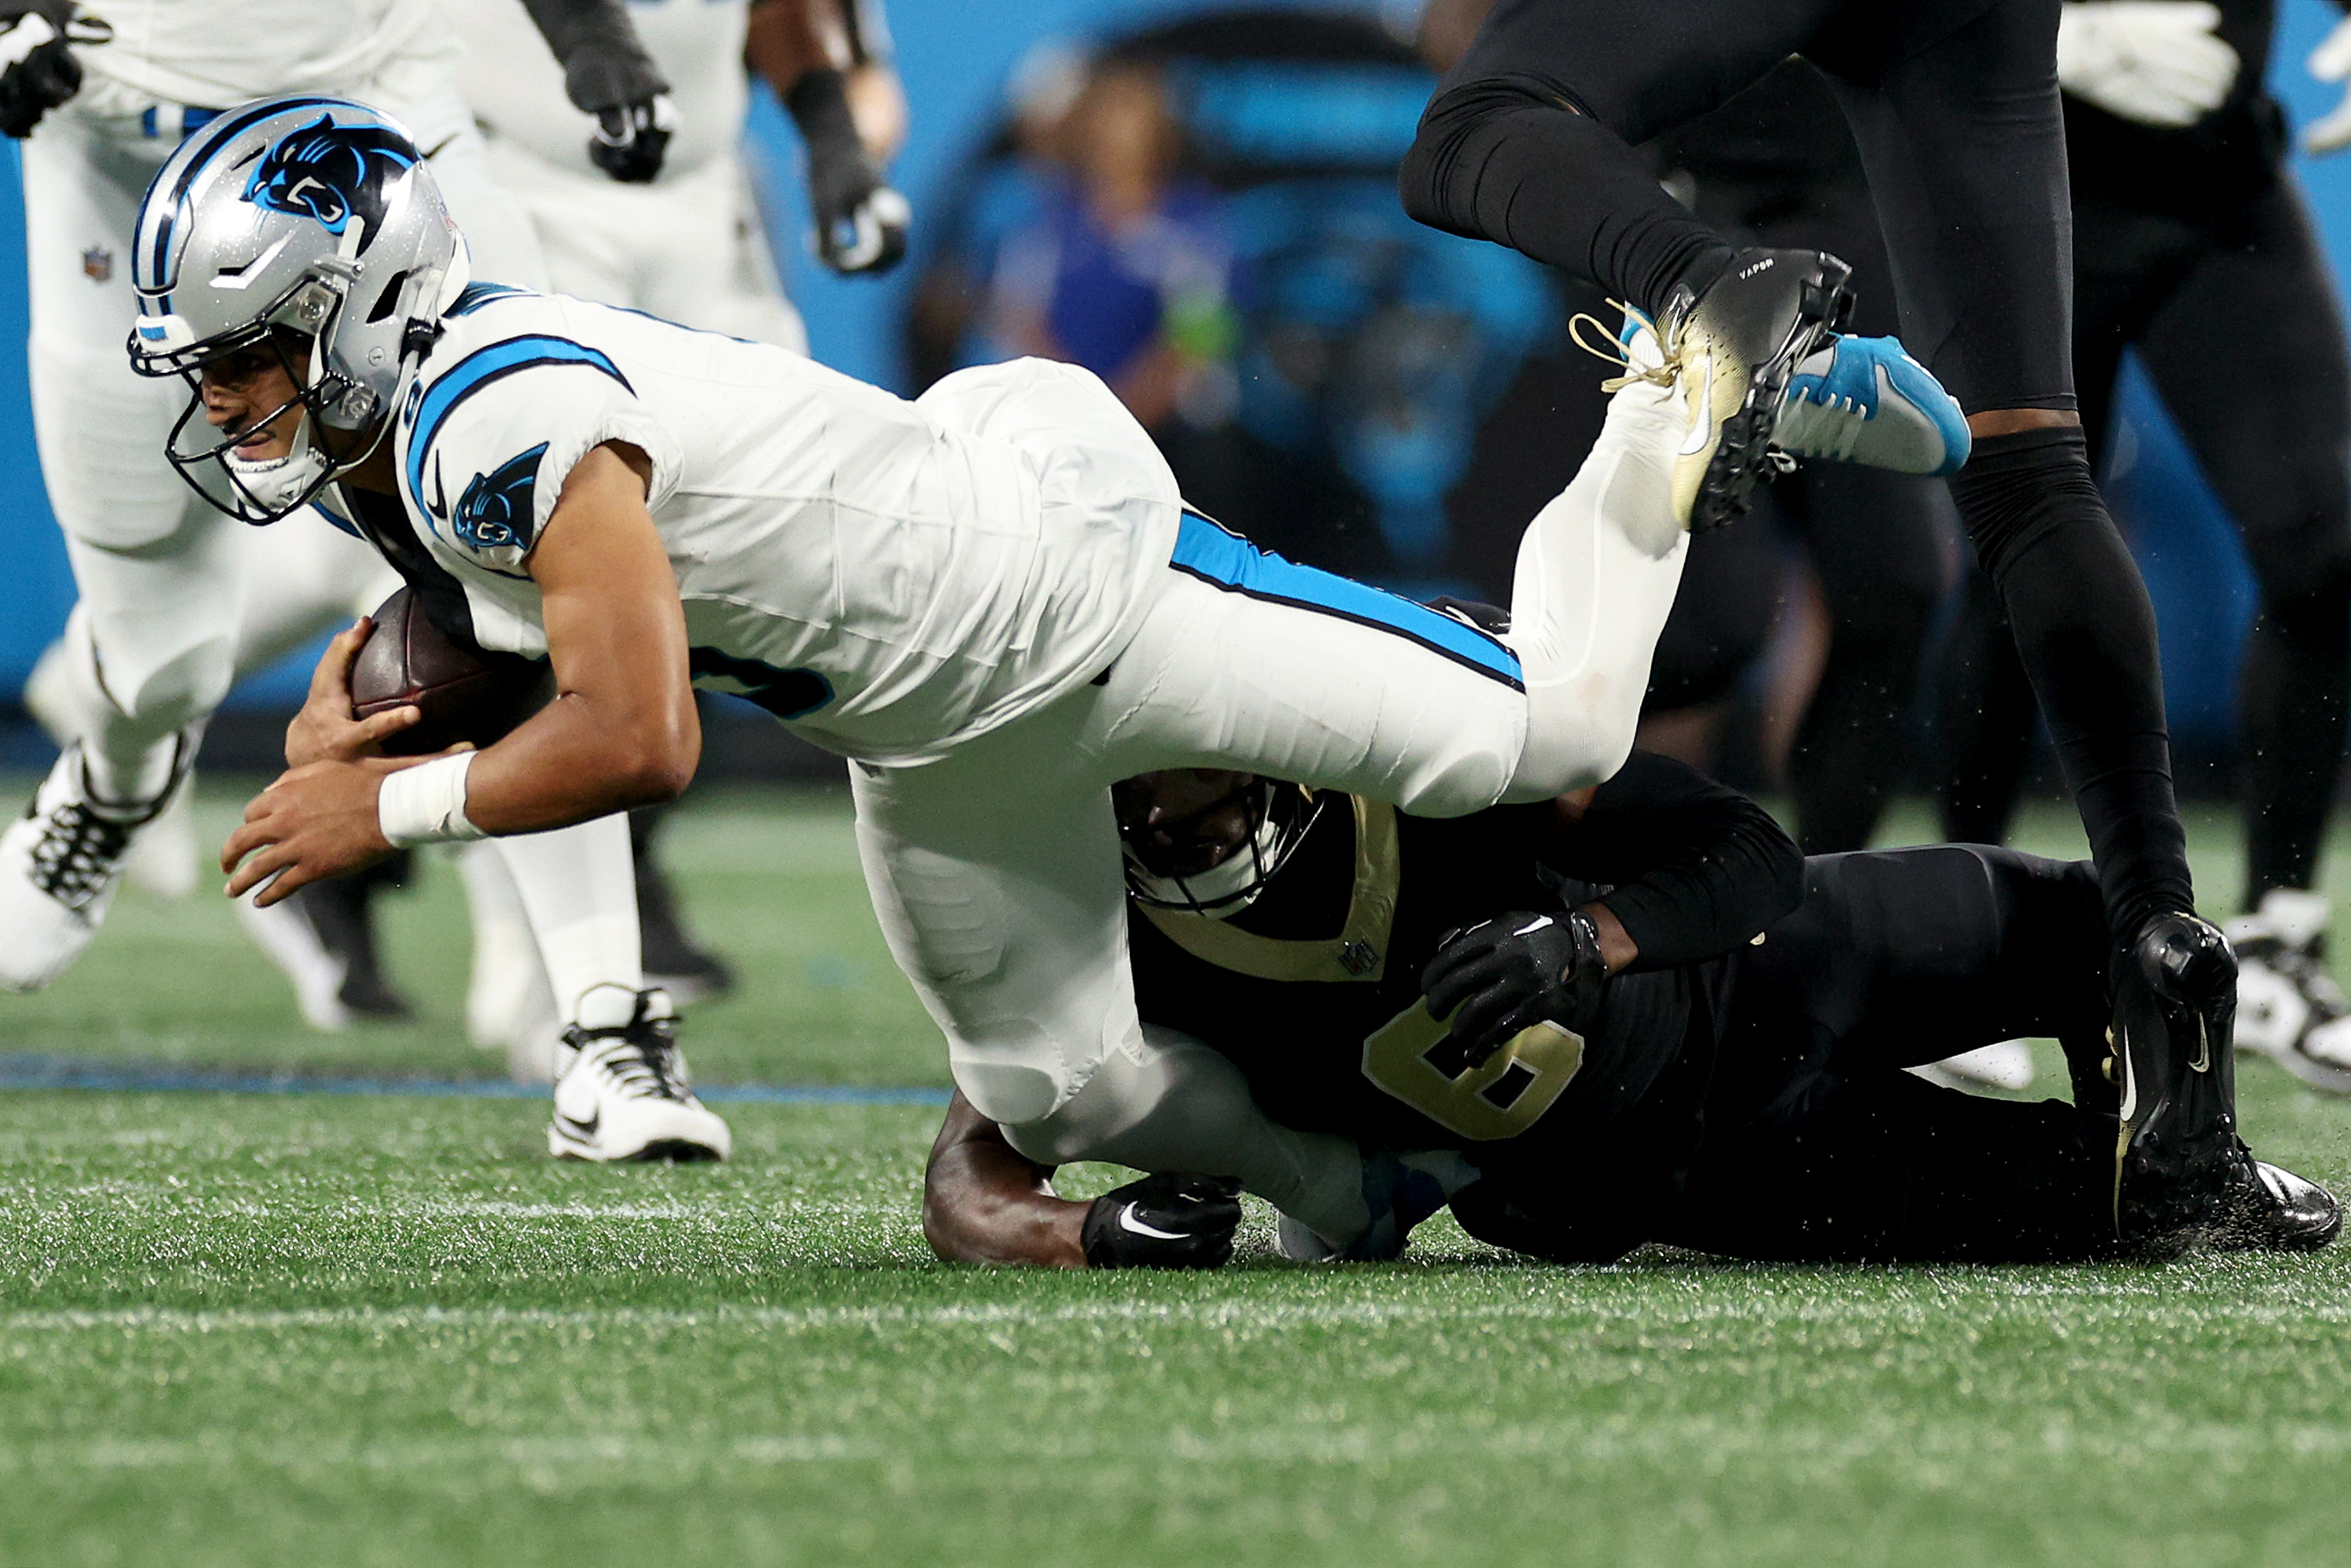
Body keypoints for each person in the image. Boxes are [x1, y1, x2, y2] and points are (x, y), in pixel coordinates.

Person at [132, 95, 1940, 1253]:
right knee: (1060, 1082)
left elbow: (642, 729)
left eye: (244, 359)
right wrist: (386, 681)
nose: (228, 406)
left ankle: (1679, 383)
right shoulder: (429, 441)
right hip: (915, 718)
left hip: (1056, 578)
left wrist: (391, 800)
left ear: (358, 307)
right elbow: (492, 615)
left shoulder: (490, 416)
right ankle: (1362, 1189)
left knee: (1543, 733)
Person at [1396, 0, 2246, 1205]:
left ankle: (1711, 287)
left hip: (1776, 172)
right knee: (2033, 475)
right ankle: (2165, 944)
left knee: (1470, 129)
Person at [0, 2, 728, 1162]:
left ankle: (607, 1026)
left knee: (523, 547)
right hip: (120, 137)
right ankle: (114, 780)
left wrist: (596, 37)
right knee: (164, 654)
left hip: (373, 123)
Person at [923, 754, 2340, 1269]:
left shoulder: (1411, 736)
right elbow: (974, 1166)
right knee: (2124, 1222)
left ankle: (2195, 1133)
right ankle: (2184, 1186)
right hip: (1694, 1165)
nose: (1184, 822)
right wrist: (1089, 1232)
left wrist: (1585, 935)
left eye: (1209, 778)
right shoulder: (1103, 949)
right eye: (1148, 808)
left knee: (2104, 919)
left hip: (1766, 961)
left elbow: (1748, 850)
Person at [1934, 0, 2351, 1099]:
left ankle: (2274, 939)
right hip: (2027, 173)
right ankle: (1957, 939)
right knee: (2017, 550)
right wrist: (2043, 27)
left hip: (2216, 180)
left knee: (2331, 543)